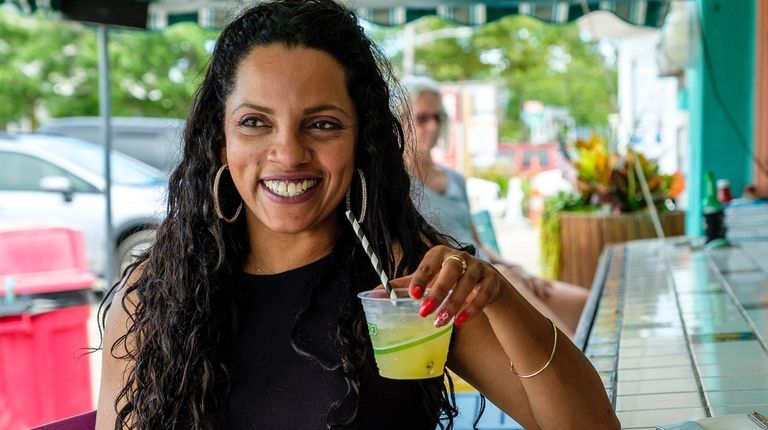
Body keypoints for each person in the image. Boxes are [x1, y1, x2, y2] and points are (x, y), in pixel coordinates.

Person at [95, 1, 620, 429]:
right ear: (220, 138)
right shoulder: (153, 296)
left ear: (362, 140)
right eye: (255, 122)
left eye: (322, 124)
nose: (288, 152)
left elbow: (591, 425)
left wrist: (501, 298)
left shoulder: (407, 284)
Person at [402, 75, 589, 337]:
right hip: (459, 283)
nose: (432, 126)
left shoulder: (455, 178)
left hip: (494, 270)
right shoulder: (398, 184)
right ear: (401, 120)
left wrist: (516, 267)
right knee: (517, 290)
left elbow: (479, 242)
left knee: (585, 304)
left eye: (438, 117)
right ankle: (579, 367)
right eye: (422, 118)